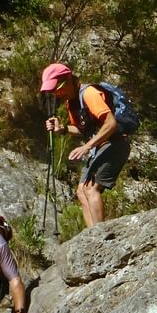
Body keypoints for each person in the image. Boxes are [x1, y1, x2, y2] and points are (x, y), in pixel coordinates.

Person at [40, 62, 132, 227]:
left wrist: (87, 146)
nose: (56, 93)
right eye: (52, 90)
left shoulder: (89, 93)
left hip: (115, 143)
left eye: (57, 88)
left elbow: (110, 124)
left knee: (90, 189)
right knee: (81, 192)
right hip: (101, 145)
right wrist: (62, 128)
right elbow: (82, 129)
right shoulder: (72, 103)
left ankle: (100, 235)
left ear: (68, 79)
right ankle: (92, 237)